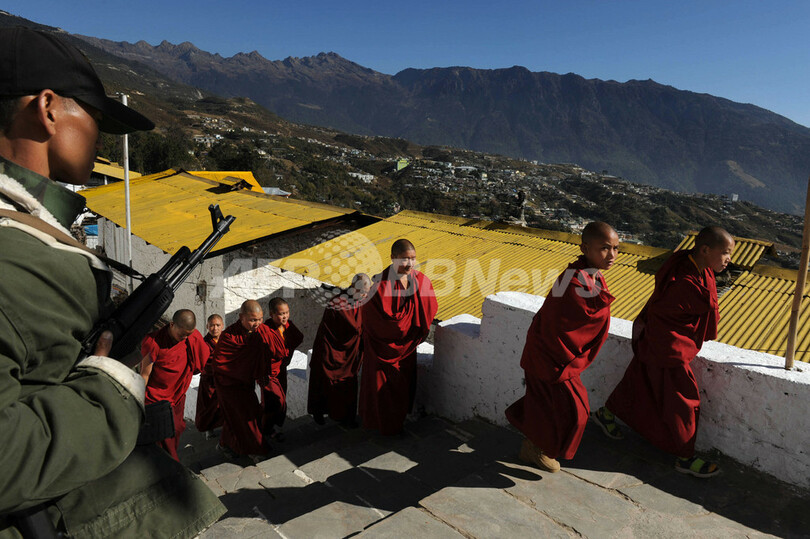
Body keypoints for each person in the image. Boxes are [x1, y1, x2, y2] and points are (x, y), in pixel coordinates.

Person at [0, 27, 224, 536]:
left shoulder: (30, 230)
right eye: (95, 118)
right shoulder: (14, 253)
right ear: (47, 108)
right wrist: (107, 386)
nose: (99, 137)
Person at [594, 226, 734, 478]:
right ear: (705, 250)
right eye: (725, 253)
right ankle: (685, 457)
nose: (729, 260)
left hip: (656, 341)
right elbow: (666, 312)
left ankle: (605, 415)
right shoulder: (683, 281)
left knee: (637, 383)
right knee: (684, 400)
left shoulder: (691, 264)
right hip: (668, 346)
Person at [505, 222, 618, 472]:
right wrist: (565, 356)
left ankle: (532, 448)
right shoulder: (572, 280)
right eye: (604, 248)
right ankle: (538, 448)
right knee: (573, 409)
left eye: (615, 248)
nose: (612, 255)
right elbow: (554, 322)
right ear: (585, 248)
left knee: (551, 405)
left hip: (562, 356)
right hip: (551, 354)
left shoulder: (594, 276)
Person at [359, 239, 438, 435]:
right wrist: (400, 330)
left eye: (413, 259)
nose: (409, 264)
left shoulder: (421, 281)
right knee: (382, 392)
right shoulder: (378, 286)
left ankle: (397, 425)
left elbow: (430, 308)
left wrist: (409, 333)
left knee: (402, 387)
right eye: (404, 259)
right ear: (393, 258)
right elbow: (370, 321)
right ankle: (383, 426)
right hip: (381, 349)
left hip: (406, 349)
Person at [140, 309, 209, 461]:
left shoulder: (192, 338)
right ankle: (172, 466)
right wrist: (138, 400)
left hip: (177, 396)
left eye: (188, 334)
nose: (185, 338)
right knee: (164, 436)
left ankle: (168, 463)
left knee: (176, 430)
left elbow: (201, 362)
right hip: (156, 398)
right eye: (182, 334)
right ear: (172, 325)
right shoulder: (153, 342)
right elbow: (145, 374)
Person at [307, 274, 372, 427]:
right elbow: (349, 327)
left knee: (348, 385)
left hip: (350, 354)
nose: (365, 296)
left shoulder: (361, 302)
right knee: (323, 382)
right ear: (353, 288)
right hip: (331, 349)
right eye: (363, 292)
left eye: (367, 293)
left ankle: (346, 418)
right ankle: (319, 412)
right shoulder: (338, 303)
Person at [213, 300, 268, 459]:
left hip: (246, 384)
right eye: (252, 320)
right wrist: (246, 372)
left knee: (240, 416)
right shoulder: (229, 336)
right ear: (241, 317)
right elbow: (220, 364)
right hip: (228, 385)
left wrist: (261, 373)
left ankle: (224, 444)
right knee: (245, 416)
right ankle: (255, 450)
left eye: (260, 319)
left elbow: (262, 355)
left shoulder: (259, 333)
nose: (257, 323)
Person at [257, 297, 303, 441]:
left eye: (287, 313)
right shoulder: (265, 330)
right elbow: (259, 353)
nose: (285, 317)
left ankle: (266, 427)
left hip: (280, 370)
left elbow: (298, 338)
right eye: (281, 314)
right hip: (268, 373)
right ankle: (264, 430)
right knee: (275, 401)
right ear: (272, 314)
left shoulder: (288, 326)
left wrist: (287, 354)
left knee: (277, 401)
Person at [195, 313, 224, 437]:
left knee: (224, 404)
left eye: (218, 325)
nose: (215, 328)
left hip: (223, 378)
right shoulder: (204, 343)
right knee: (208, 406)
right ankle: (208, 428)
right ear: (207, 326)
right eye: (212, 325)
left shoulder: (226, 339)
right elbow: (202, 362)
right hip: (209, 380)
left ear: (222, 326)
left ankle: (226, 427)